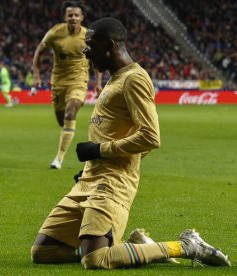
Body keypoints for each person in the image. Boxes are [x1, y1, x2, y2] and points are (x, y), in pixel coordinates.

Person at [30, 17, 231, 269]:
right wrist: (95, 161)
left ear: (110, 45)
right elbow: (128, 136)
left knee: (95, 259)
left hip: (113, 183)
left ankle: (186, 246)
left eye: (90, 44)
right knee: (43, 251)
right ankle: (135, 247)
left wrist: (100, 150)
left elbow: (150, 136)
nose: (84, 50)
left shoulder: (134, 79)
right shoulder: (115, 78)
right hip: (89, 179)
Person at [32, 1, 103, 169]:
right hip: (58, 81)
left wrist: (98, 82)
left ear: (82, 17)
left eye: (76, 15)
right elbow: (39, 51)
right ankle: (66, 132)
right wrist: (36, 74)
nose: (73, 18)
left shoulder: (88, 36)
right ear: (65, 17)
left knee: (71, 112)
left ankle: (59, 158)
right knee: (62, 120)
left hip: (79, 80)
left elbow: (97, 59)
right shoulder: (55, 32)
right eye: (70, 15)